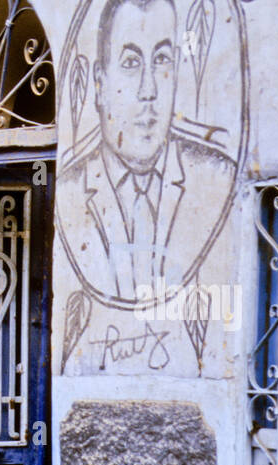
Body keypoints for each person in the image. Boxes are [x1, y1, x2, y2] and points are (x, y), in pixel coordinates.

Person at [57, 0, 236, 303]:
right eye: (131, 63)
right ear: (100, 84)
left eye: (162, 60)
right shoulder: (69, 189)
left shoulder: (217, 176)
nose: (149, 89)